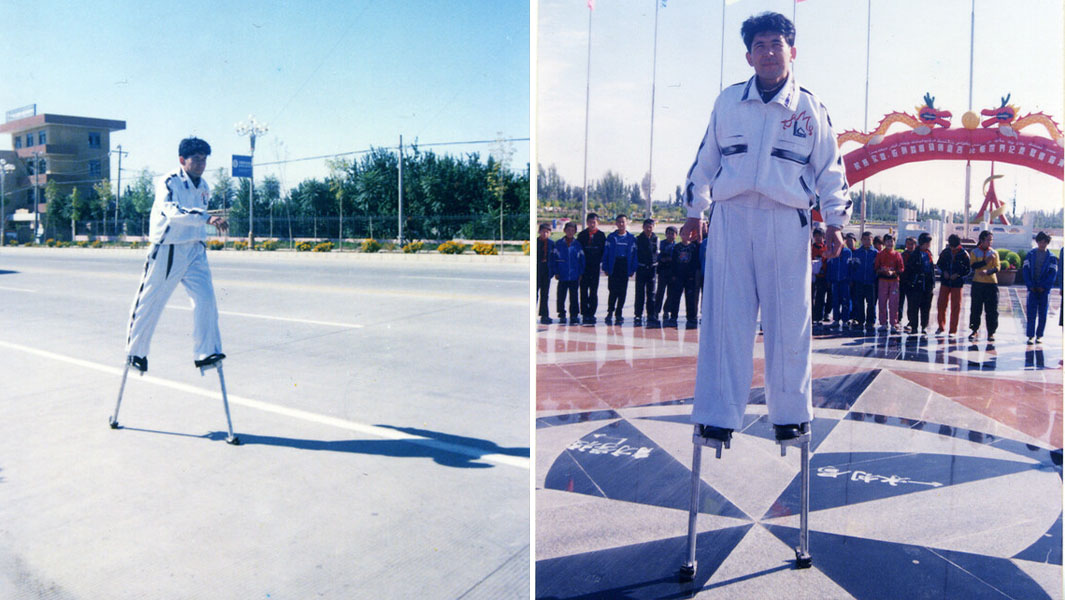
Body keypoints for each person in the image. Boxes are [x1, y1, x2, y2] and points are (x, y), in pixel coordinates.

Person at [681, 12, 851, 442]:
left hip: (785, 219)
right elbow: (705, 161)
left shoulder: (810, 109)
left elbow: (831, 168)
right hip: (732, 219)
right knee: (725, 317)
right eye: (760, 46)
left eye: (777, 44)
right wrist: (693, 211)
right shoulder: (728, 102)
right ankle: (718, 415)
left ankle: (790, 413)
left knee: (788, 319)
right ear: (748, 56)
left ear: (792, 52)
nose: (769, 53)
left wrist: (835, 222)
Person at [125, 137, 229, 373]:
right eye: (196, 159)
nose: (201, 164)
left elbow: (197, 215)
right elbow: (173, 211)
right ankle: (136, 352)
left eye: (204, 160)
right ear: (182, 160)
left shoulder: (204, 187)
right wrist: (207, 217)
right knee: (151, 301)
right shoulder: (170, 181)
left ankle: (206, 351)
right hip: (169, 247)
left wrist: (203, 225)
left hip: (194, 248)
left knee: (206, 299)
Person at [1022, 231, 1058, 344]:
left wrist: (1045, 286)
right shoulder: (1031, 255)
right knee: (1031, 313)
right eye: (1040, 242)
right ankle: (1030, 336)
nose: (1042, 244)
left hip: (1044, 290)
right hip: (1032, 288)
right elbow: (1025, 270)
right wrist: (1030, 285)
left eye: (1045, 242)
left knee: (1043, 313)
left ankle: (1039, 335)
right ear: (1037, 242)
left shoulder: (1051, 257)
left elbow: (1053, 273)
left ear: (1047, 243)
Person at [602, 214, 638, 325]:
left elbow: (634, 255)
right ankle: (610, 312)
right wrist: (605, 267)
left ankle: (619, 313)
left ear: (627, 223)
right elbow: (606, 253)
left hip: (624, 265)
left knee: (622, 291)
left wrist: (632, 268)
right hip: (614, 265)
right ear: (616, 223)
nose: (621, 224)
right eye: (619, 222)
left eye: (623, 222)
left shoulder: (631, 238)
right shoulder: (611, 237)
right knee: (612, 290)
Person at [935, 234, 970, 337]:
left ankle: (953, 330)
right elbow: (939, 265)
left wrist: (958, 275)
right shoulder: (945, 252)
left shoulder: (964, 254)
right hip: (945, 282)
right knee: (941, 304)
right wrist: (943, 272)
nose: (953, 248)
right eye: (951, 246)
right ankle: (941, 327)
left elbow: (968, 270)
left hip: (957, 284)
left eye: (955, 247)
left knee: (956, 306)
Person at [968, 230, 1000, 341]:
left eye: (991, 240)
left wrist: (988, 272)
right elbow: (973, 265)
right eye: (988, 240)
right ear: (981, 240)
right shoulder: (975, 252)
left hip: (991, 284)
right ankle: (974, 330)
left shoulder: (994, 253)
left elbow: (997, 267)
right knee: (976, 308)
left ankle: (991, 332)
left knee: (992, 309)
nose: (990, 242)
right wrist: (985, 262)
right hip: (978, 283)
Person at [553, 221, 585, 325]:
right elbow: (554, 259)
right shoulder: (559, 244)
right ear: (564, 231)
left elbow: (582, 260)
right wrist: (556, 272)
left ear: (575, 232)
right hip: (562, 275)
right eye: (568, 230)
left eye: (572, 230)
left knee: (574, 296)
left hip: (574, 275)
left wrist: (580, 272)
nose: (570, 232)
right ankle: (562, 314)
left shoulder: (578, 245)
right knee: (561, 296)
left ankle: (574, 315)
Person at [577, 213, 607, 325]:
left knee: (593, 291)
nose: (592, 224)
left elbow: (604, 252)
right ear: (587, 222)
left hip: (594, 267)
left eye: (594, 222)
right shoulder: (582, 235)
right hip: (584, 267)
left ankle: (591, 313)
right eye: (590, 222)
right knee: (583, 290)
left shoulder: (601, 235)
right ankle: (584, 313)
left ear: (597, 222)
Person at [906, 232, 936, 335]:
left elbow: (931, 269)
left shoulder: (928, 253)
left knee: (926, 307)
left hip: (927, 284)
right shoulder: (915, 254)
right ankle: (914, 326)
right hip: (917, 284)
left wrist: (932, 283)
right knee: (914, 307)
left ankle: (924, 326)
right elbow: (910, 270)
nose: (929, 245)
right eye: (928, 243)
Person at [668, 234, 701, 329]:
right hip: (678, 276)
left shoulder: (693, 247)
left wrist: (692, 275)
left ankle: (691, 317)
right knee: (675, 297)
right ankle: (673, 316)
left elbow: (695, 262)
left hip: (689, 277)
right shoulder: (677, 247)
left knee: (690, 298)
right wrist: (673, 274)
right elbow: (673, 262)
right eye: (684, 233)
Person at [874, 233, 904, 332]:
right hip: (883, 281)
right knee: (882, 302)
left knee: (893, 303)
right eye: (887, 241)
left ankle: (893, 323)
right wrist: (882, 270)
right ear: (884, 242)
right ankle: (883, 323)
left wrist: (893, 272)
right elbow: (876, 268)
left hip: (894, 282)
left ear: (894, 242)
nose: (890, 243)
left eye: (892, 241)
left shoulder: (897, 254)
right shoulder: (880, 254)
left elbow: (901, 269)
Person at [650, 226, 678, 328]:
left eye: (673, 233)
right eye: (669, 233)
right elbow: (657, 255)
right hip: (663, 272)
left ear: (676, 235)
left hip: (672, 272)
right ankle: (656, 311)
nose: (670, 235)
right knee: (660, 292)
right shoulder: (661, 244)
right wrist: (662, 259)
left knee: (670, 293)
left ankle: (667, 310)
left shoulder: (677, 246)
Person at [633, 218, 659, 326]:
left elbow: (657, 253)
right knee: (640, 293)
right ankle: (638, 314)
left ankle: (651, 314)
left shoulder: (656, 239)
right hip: (641, 268)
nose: (649, 229)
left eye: (651, 227)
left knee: (651, 293)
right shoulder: (638, 239)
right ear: (643, 227)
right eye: (647, 227)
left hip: (652, 269)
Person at [826, 232, 853, 329]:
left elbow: (850, 267)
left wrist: (850, 279)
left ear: (844, 241)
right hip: (834, 281)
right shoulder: (831, 252)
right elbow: (829, 267)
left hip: (845, 281)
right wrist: (828, 279)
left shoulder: (848, 252)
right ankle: (836, 319)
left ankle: (845, 320)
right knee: (835, 301)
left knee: (845, 301)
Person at [852, 231, 878, 331]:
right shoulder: (857, 252)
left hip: (871, 282)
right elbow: (853, 267)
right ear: (861, 240)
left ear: (872, 240)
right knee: (859, 302)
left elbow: (877, 267)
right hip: (859, 282)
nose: (867, 241)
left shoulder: (876, 253)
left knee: (871, 303)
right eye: (865, 239)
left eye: (869, 239)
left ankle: (870, 321)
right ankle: (860, 321)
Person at [811, 227, 830, 323]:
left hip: (824, 277)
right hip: (813, 277)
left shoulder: (827, 248)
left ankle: (820, 316)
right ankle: (812, 316)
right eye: (816, 236)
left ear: (824, 237)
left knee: (821, 297)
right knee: (811, 296)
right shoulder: (810, 248)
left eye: (820, 236)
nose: (818, 238)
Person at [536, 223, 553, 325]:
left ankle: (544, 315)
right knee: (535, 293)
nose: (545, 234)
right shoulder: (536, 243)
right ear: (539, 232)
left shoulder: (551, 244)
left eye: (547, 232)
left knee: (545, 293)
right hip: (537, 269)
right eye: (543, 231)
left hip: (547, 270)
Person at [898, 236, 916, 326]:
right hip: (902, 281)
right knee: (899, 301)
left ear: (915, 245)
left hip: (912, 282)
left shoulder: (917, 255)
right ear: (905, 245)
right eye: (908, 244)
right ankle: (898, 319)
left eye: (912, 244)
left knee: (911, 303)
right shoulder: (902, 255)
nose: (910, 246)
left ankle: (911, 321)